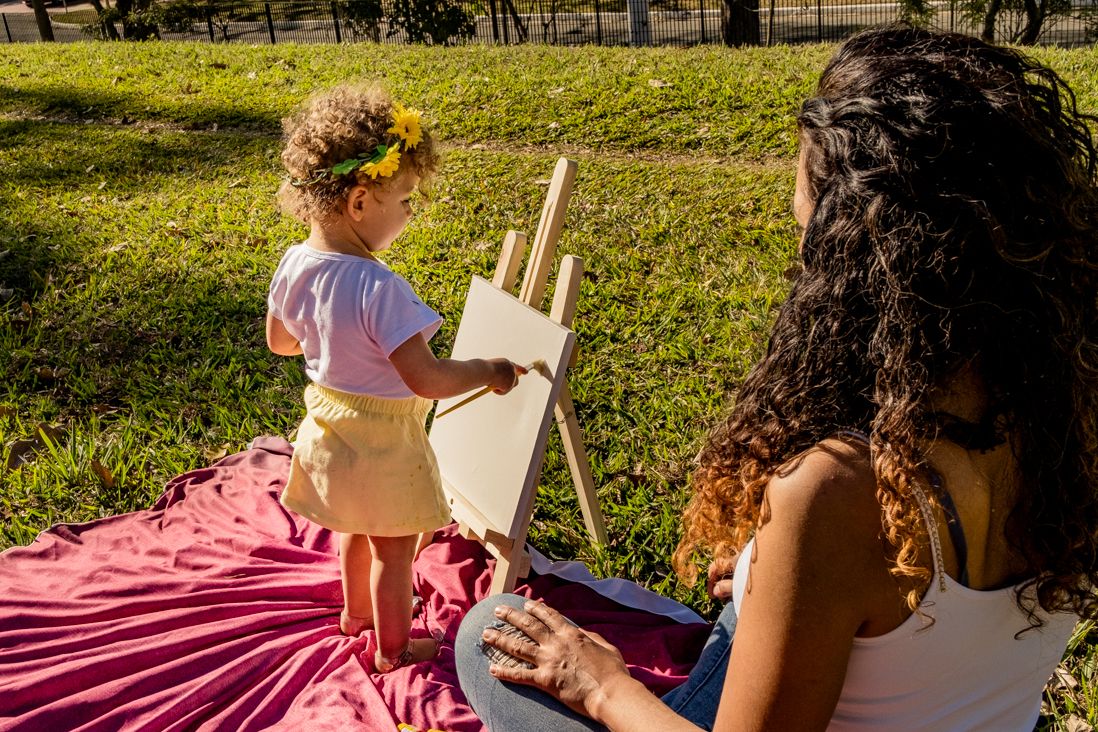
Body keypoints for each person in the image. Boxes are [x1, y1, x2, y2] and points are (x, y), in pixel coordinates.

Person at [455, 25, 1098, 730]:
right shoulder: (1069, 406)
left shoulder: (838, 493)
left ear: (850, 250)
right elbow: (933, 633)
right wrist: (783, 581)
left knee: (486, 628)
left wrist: (601, 685)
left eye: (805, 229)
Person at [267, 84, 525, 673]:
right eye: (405, 198)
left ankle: (354, 618)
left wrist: (331, 336)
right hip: (383, 442)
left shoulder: (292, 262)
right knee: (394, 550)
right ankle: (394, 649)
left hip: (329, 431)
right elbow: (426, 379)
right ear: (360, 203)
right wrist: (488, 370)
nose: (410, 212)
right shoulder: (380, 289)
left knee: (352, 531)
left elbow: (281, 343)